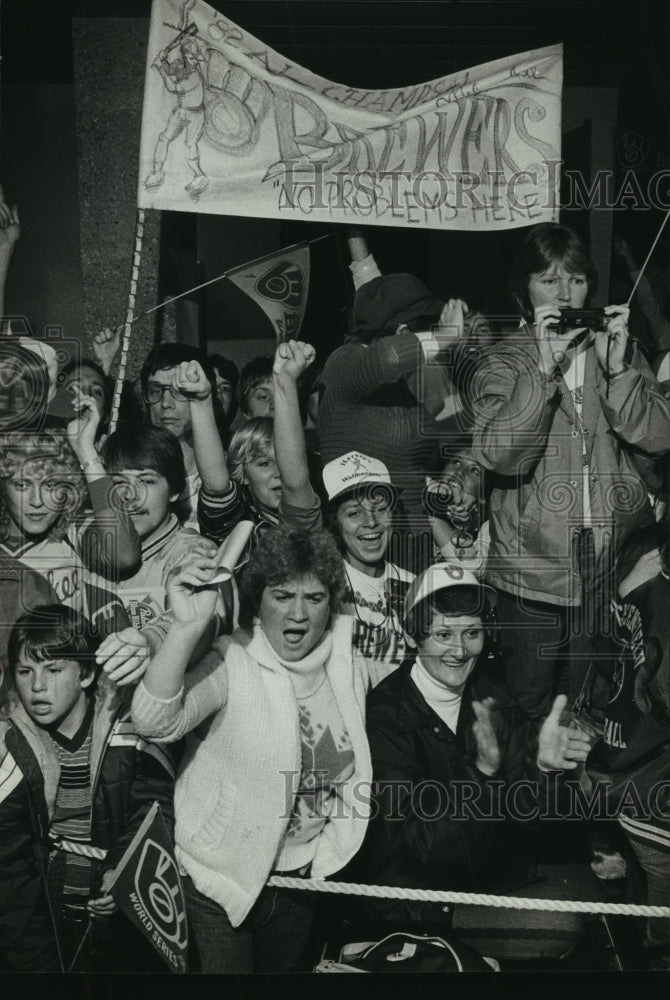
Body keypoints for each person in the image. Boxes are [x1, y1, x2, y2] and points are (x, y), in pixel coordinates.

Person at [131, 527, 372, 973]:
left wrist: (324, 859)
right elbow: (153, 721)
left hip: (300, 884)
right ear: (258, 598)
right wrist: (185, 628)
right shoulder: (233, 660)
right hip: (218, 884)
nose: (298, 614)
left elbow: (354, 777)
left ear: (332, 604)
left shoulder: (349, 667)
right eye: (282, 596)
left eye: (314, 598)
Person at [470, 222, 670, 719]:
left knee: (588, 707)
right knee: (528, 709)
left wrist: (620, 372)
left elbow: (660, 436)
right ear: (523, 291)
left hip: (605, 568)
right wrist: (542, 368)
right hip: (530, 576)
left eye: (576, 280)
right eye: (548, 279)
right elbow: (498, 453)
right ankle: (521, 797)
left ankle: (571, 798)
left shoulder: (617, 350)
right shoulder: (501, 361)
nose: (564, 293)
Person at [354, 563, 602, 963]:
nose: (459, 649)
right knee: (559, 926)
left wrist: (544, 770)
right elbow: (423, 846)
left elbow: (533, 822)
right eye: (443, 634)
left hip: (489, 875)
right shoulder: (384, 718)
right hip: (423, 901)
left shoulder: (492, 693)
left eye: (471, 633)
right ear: (412, 635)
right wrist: (482, 775)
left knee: (593, 902)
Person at [3, 605, 176, 972]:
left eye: (53, 670)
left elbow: (153, 808)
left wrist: (123, 872)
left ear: (85, 673)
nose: (37, 686)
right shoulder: (10, 744)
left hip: (123, 923)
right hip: (50, 921)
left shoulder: (129, 725)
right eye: (25, 671)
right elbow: (12, 872)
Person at [317, 271, 468, 572]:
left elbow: (443, 434)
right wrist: (447, 335)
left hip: (413, 548)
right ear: (403, 332)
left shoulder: (408, 384)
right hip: (362, 548)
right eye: (428, 328)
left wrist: (434, 486)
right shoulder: (342, 364)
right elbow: (385, 359)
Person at [323, 451, 415, 687]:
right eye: (354, 513)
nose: (371, 522)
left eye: (381, 508)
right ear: (336, 522)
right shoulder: (324, 587)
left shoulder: (416, 586)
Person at [139, 343, 221, 528]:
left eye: (179, 392)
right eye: (155, 391)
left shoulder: (230, 470)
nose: (166, 403)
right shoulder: (132, 476)